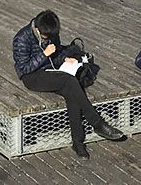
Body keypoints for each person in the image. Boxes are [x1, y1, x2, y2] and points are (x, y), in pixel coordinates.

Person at [12, 11, 125, 159]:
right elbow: (23, 69)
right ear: (37, 29)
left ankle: (77, 142)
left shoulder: (52, 34)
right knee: (69, 81)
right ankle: (98, 124)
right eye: (45, 36)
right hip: (33, 77)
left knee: (72, 90)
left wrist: (65, 59)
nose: (48, 38)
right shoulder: (21, 39)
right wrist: (44, 54)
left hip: (53, 70)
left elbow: (57, 54)